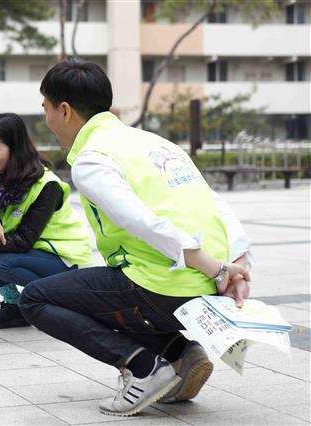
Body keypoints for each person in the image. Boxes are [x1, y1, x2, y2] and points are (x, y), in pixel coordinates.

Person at [19, 59, 253, 416]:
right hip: (201, 284)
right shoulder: (156, 143)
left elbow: (144, 222)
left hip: (164, 286)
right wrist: (235, 267)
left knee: (36, 299)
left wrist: (216, 269)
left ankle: (143, 368)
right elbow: (216, 204)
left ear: (64, 110)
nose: (47, 118)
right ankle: (182, 355)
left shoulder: (92, 159)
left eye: (46, 108)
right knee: (97, 286)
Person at [0, 113, 94, 330]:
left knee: (2, 262)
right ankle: (14, 307)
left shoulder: (47, 185)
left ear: (15, 149)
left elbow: (24, 240)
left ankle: (63, 299)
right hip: (33, 253)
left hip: (64, 259)